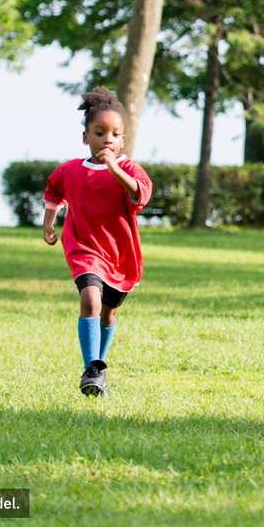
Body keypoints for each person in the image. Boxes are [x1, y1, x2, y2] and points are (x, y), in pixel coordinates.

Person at [43, 87, 153, 398]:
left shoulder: (128, 168)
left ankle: (99, 367)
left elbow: (140, 193)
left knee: (109, 313)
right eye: (100, 132)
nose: (108, 139)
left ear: (123, 140)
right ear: (85, 137)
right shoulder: (71, 170)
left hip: (119, 255)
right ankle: (91, 367)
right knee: (90, 299)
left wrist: (114, 167)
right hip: (83, 250)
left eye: (116, 134)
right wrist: (49, 223)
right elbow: (54, 192)